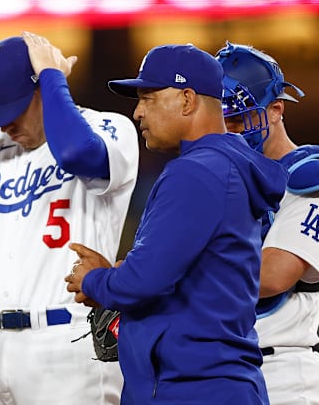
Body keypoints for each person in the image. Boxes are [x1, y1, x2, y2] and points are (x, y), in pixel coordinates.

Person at [0, 31, 139, 404]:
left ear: (44, 86)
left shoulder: (107, 128)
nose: (5, 124)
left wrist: (53, 75)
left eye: (15, 108)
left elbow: (75, 153)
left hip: (64, 340)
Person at [65, 44, 289, 404]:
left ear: (187, 99)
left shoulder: (198, 172)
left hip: (195, 385)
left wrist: (94, 279)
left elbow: (142, 281)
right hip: (209, 381)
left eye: (148, 98)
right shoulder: (222, 166)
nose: (137, 112)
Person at [216, 42, 319, 405]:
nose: (230, 130)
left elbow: (271, 276)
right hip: (215, 370)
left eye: (240, 116)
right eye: (221, 118)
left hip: (280, 374)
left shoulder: (312, 181)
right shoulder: (217, 180)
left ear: (275, 109)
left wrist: (170, 274)